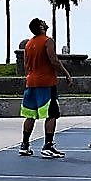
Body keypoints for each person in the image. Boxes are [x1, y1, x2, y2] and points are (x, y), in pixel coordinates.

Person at [19, 17, 74, 158]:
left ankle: (24, 145)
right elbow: (53, 60)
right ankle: (48, 146)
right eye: (42, 22)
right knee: (52, 114)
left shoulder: (28, 44)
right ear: (41, 27)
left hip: (31, 83)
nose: (45, 23)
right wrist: (66, 74)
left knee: (30, 115)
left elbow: (26, 65)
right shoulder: (47, 41)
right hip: (46, 83)